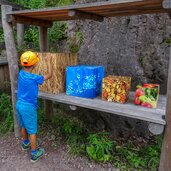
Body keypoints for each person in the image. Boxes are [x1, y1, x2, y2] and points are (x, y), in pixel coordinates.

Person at [16, 51, 52, 163]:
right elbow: (49, 75)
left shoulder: (21, 74)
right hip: (28, 108)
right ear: (35, 64)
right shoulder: (35, 78)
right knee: (32, 130)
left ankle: (25, 143)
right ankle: (34, 154)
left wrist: (33, 58)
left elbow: (28, 65)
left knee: (23, 125)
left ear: (22, 64)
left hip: (19, 105)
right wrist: (49, 61)